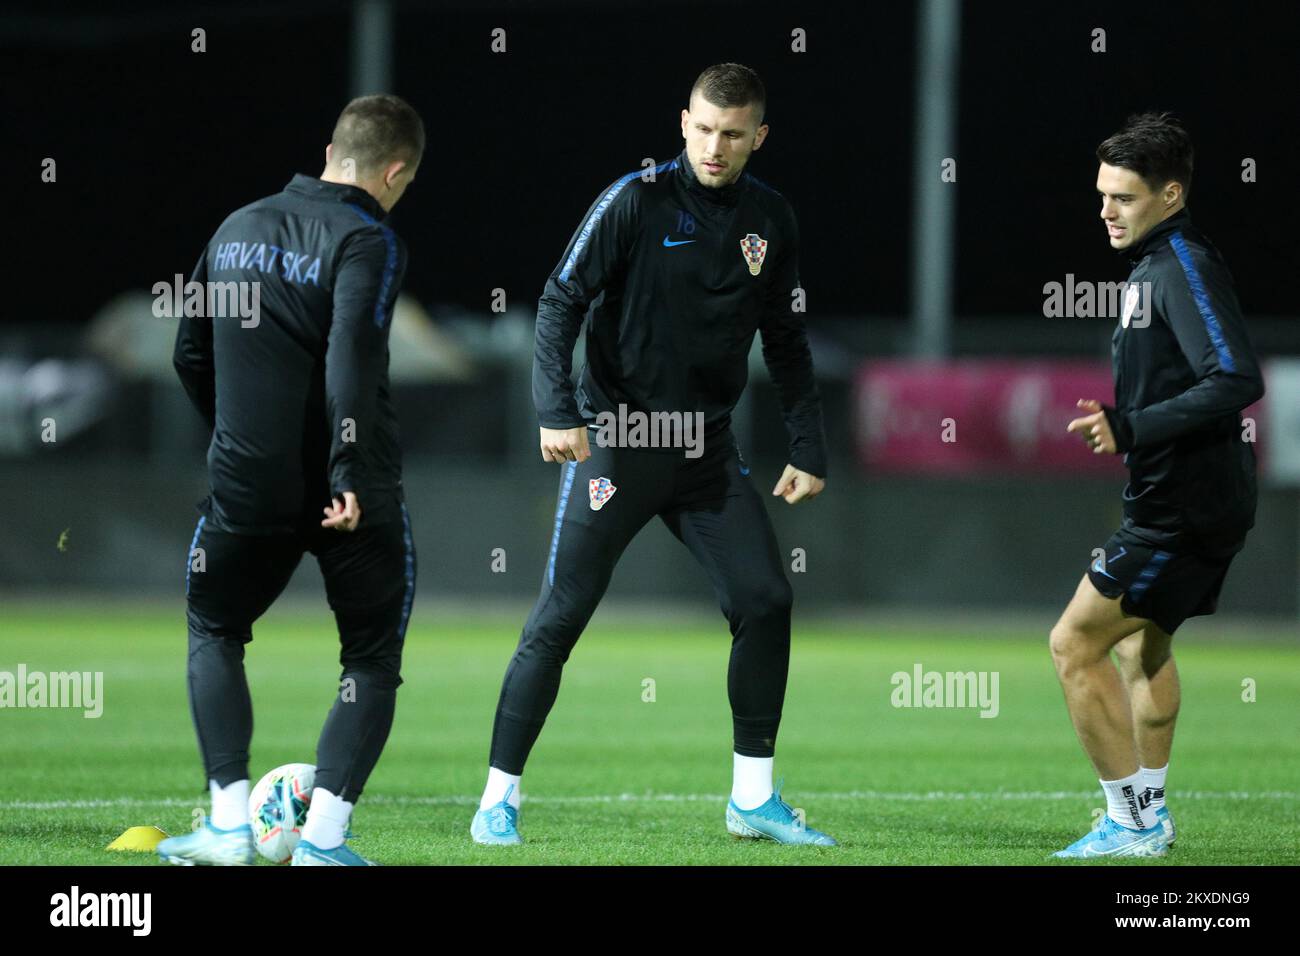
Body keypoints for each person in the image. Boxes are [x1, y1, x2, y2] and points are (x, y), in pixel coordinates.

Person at [471, 63, 836, 846]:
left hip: (705, 452)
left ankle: (753, 800)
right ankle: (497, 798)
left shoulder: (771, 219)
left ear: (758, 137)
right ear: (683, 123)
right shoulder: (634, 200)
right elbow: (561, 299)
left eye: (733, 134)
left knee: (767, 601)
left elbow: (787, 339)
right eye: (704, 128)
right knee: (561, 615)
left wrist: (807, 444)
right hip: (620, 441)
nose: (715, 145)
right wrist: (555, 410)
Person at [157, 93, 423, 866]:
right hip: (354, 492)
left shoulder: (237, 225)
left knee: (215, 629)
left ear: (331, 148)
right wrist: (343, 467)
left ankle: (229, 826)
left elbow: (189, 354)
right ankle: (324, 845)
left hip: (248, 487)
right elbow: (352, 357)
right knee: (369, 658)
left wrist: (243, 441)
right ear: (394, 171)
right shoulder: (369, 238)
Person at [1052, 112, 1265, 858]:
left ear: (1170, 194)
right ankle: (1149, 817)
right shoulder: (1152, 265)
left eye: (1125, 196)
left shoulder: (1183, 265)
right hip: (1179, 497)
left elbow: (1238, 376)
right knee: (1139, 650)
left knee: (1072, 644)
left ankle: (1132, 822)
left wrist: (1133, 427)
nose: (1106, 210)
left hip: (1184, 509)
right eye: (1102, 193)